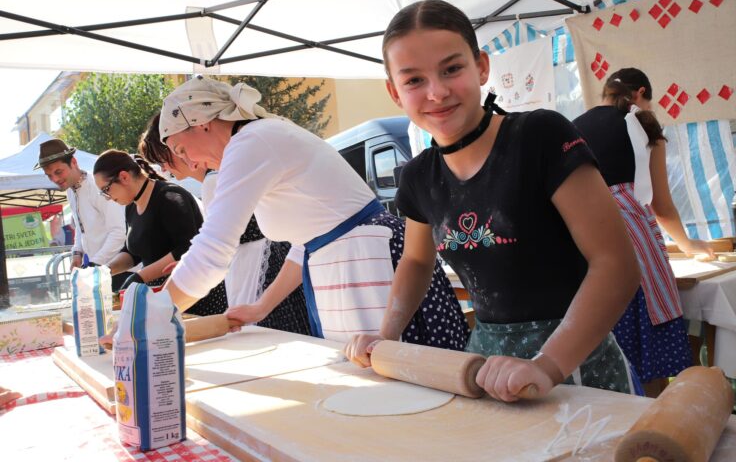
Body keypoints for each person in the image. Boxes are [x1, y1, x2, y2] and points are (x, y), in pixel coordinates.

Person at [346, 0, 642, 402]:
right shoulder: (418, 176)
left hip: (574, 363)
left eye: (452, 69)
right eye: (413, 80)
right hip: (483, 370)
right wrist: (385, 337)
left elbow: (616, 264)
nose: (437, 92)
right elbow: (417, 261)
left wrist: (546, 365)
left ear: (481, 66)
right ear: (394, 92)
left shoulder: (541, 137)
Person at [155, 76, 469, 349]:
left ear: (201, 123)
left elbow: (212, 251)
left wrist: (153, 315)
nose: (191, 164)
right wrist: (260, 307)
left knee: (387, 383)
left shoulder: (252, 141)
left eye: (182, 150)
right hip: (352, 261)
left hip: (368, 261)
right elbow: (306, 240)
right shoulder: (257, 139)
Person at [573, 68, 711, 396]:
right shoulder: (642, 124)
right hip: (630, 245)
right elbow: (661, 205)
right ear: (640, 93)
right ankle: (658, 428)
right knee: (652, 365)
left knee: (610, 357)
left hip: (584, 246)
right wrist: (689, 245)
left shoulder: (573, 127)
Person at [138, 115, 311, 334]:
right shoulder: (225, 172)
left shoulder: (214, 181)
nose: (163, 169)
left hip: (255, 270)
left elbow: (213, 250)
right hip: (277, 268)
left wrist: (152, 314)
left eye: (164, 158)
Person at [93, 150, 227, 316]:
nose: (107, 197)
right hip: (160, 295)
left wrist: (140, 277)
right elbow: (133, 252)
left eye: (106, 189)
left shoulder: (170, 197)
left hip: (192, 295)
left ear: (124, 177)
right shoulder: (131, 206)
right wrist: (105, 271)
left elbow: (185, 248)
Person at [37, 139, 127, 290]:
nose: (55, 179)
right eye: (49, 175)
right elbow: (81, 227)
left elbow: (118, 233)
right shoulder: (70, 191)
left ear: (73, 162)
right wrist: (77, 253)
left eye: (58, 172)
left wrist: (94, 265)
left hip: (120, 271)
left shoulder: (97, 186)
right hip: (100, 272)